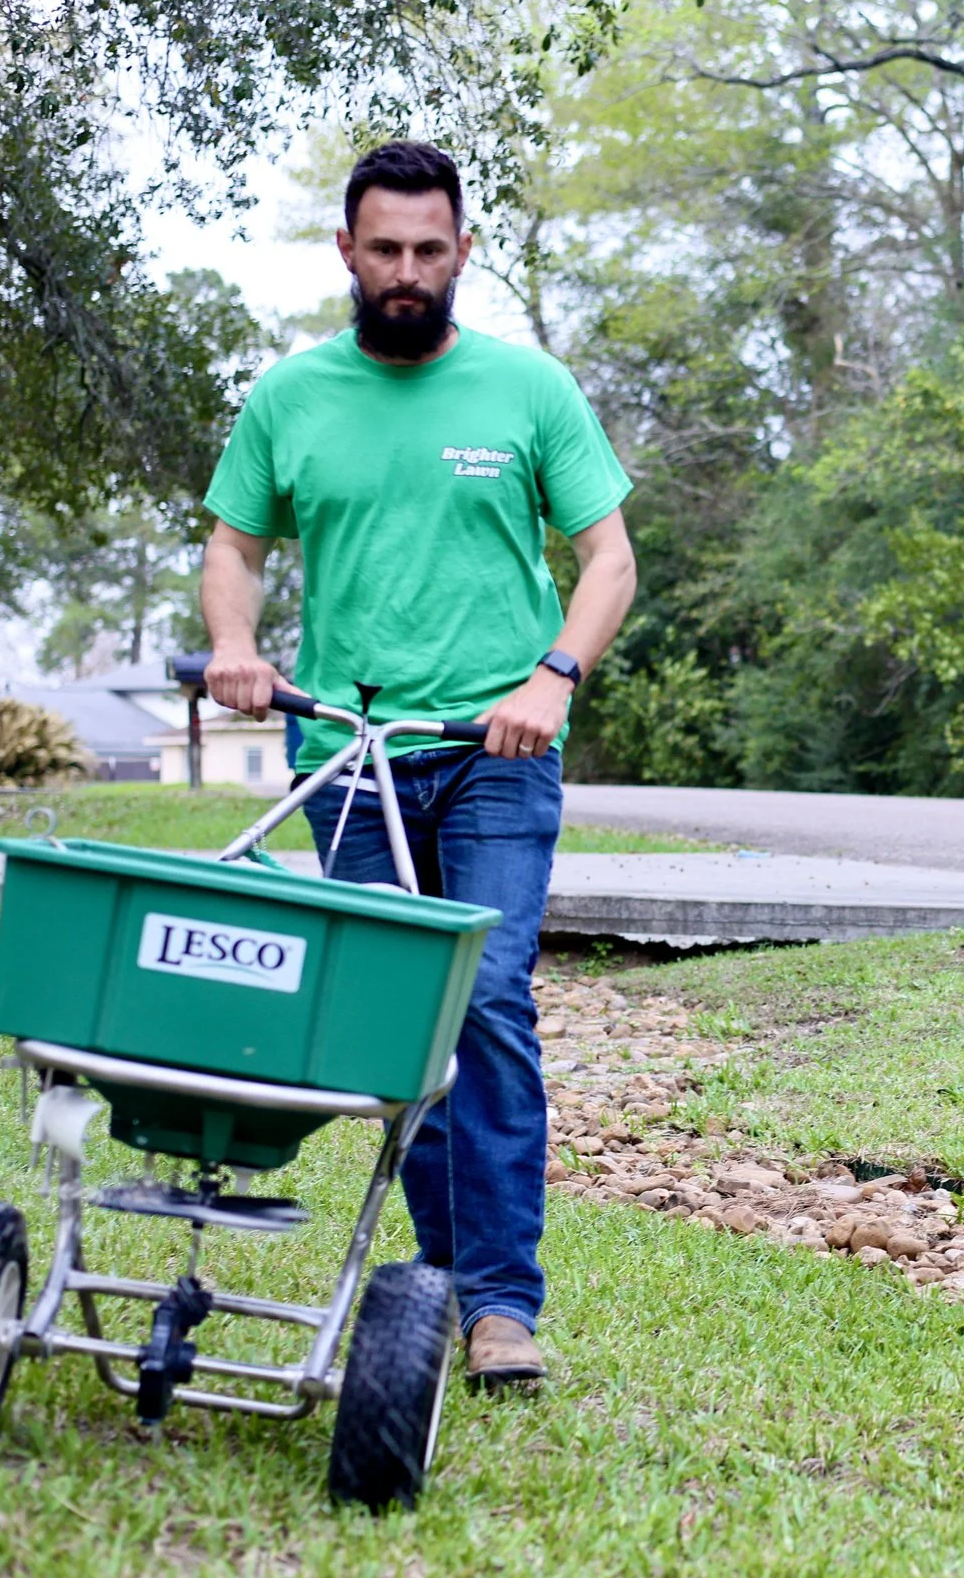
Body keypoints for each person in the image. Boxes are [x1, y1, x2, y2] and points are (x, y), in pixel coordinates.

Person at [196, 139, 637, 1392]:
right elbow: (233, 547)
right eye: (383, 248)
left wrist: (551, 677)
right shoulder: (291, 397)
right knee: (405, 1025)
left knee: (486, 999)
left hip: (495, 750)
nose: (406, 270)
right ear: (346, 249)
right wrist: (234, 644)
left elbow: (608, 558)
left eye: (428, 249)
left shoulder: (527, 390)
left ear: (461, 251)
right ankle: (444, 1280)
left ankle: (499, 1303)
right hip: (352, 757)